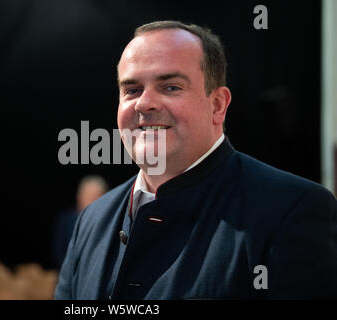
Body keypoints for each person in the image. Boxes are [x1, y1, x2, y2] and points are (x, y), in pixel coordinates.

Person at [55, 21, 337, 299]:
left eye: (170, 87)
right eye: (132, 90)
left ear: (218, 105)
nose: (144, 103)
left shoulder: (291, 210)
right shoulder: (92, 220)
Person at [51, 175, 108, 269]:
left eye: (95, 197)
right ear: (79, 197)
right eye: (87, 197)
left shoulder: (112, 222)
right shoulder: (66, 220)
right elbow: (58, 252)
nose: (91, 202)